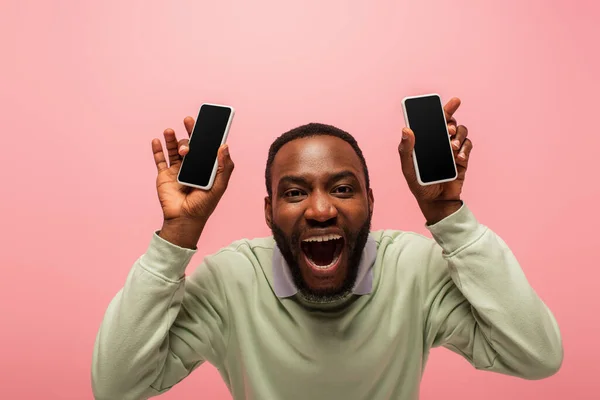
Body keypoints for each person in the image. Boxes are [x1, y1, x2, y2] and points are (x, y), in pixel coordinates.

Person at [91, 97, 563, 400]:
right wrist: (179, 232)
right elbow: (116, 386)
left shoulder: (413, 269)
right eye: (295, 193)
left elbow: (536, 355)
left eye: (342, 188)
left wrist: (449, 218)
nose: (320, 210)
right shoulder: (231, 281)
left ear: (371, 201)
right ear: (269, 211)